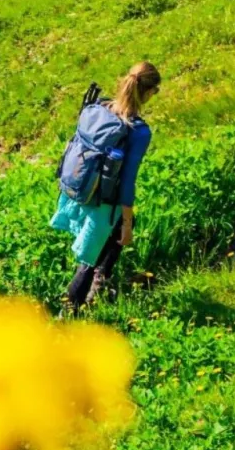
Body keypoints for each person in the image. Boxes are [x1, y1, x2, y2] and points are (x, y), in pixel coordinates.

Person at [49, 62, 161, 311]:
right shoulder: (138, 131)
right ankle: (70, 310)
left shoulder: (100, 107)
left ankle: (97, 289)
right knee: (94, 255)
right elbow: (128, 181)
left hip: (81, 190)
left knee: (106, 244)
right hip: (105, 202)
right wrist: (128, 224)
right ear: (148, 91)